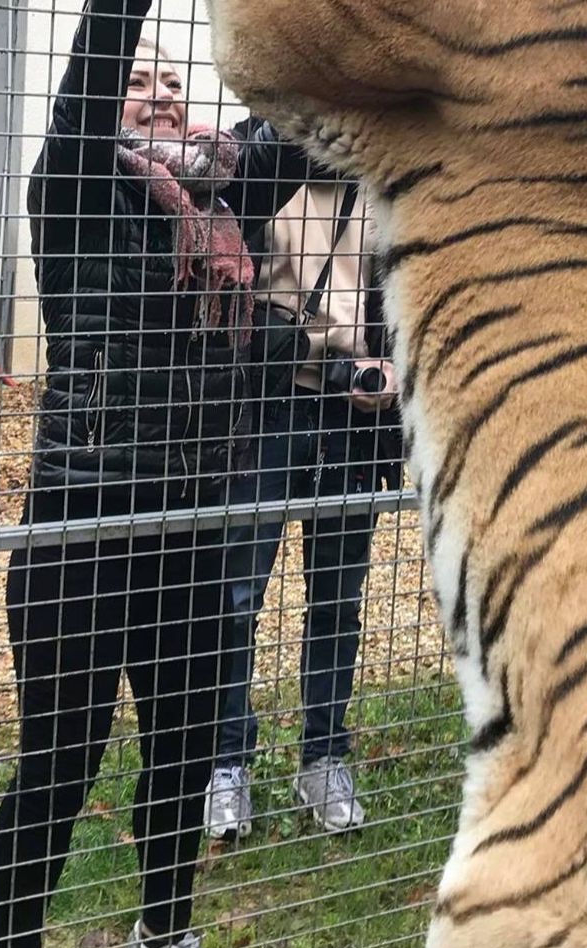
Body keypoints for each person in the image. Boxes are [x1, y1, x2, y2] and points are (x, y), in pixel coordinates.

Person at [0, 5, 323, 948]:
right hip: (83, 533)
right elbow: (90, 78)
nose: (162, 89)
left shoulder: (229, 201)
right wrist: (117, 25)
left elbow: (298, 109)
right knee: (59, 760)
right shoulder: (75, 187)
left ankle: (160, 940)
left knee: (181, 756)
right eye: (140, 79)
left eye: (173, 77)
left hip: (196, 531)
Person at [203, 180, 403, 840]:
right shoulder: (261, 166)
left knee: (337, 601)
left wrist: (393, 370)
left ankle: (322, 757)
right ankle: (226, 761)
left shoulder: (381, 182)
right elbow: (229, 299)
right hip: (267, 410)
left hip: (351, 420)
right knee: (235, 596)